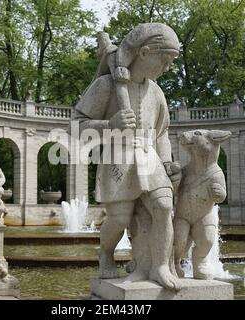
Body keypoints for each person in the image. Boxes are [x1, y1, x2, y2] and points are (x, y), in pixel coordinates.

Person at [74, 23, 182, 289]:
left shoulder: (157, 92)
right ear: (144, 53)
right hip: (117, 156)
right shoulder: (106, 85)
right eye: (164, 60)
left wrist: (166, 161)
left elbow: (162, 133)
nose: (166, 68)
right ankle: (106, 255)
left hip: (149, 156)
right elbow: (76, 125)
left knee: (164, 206)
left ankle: (159, 266)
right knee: (119, 219)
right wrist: (109, 124)